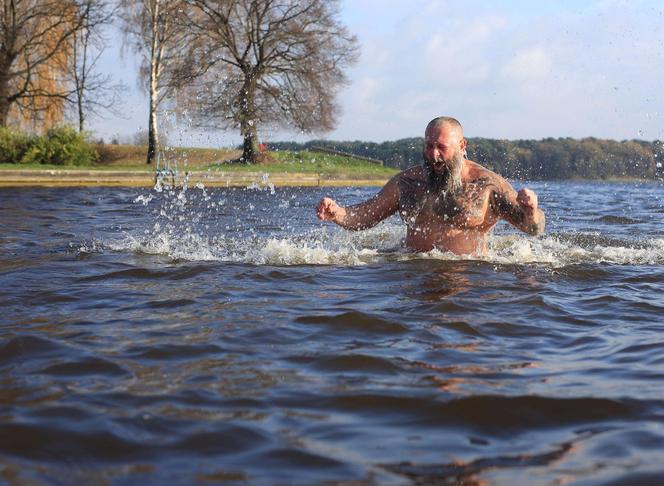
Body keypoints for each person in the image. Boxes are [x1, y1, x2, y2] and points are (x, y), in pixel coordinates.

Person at [315, 116, 545, 256]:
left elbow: (533, 229)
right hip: (413, 272)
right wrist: (338, 213)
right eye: (428, 146)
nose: (433, 154)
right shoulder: (407, 183)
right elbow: (366, 216)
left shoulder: (487, 185)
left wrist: (531, 210)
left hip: (469, 277)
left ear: (462, 145)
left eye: (441, 147)